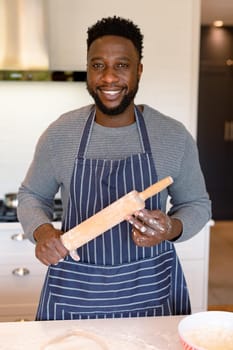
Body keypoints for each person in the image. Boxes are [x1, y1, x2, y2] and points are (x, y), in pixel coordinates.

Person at [17, 16, 211, 321]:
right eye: (98, 65)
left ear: (139, 70)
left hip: (152, 292)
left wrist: (170, 228)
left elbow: (197, 204)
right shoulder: (61, 134)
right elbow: (31, 195)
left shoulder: (172, 136)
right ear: (88, 70)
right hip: (76, 293)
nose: (109, 78)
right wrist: (42, 233)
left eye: (122, 65)